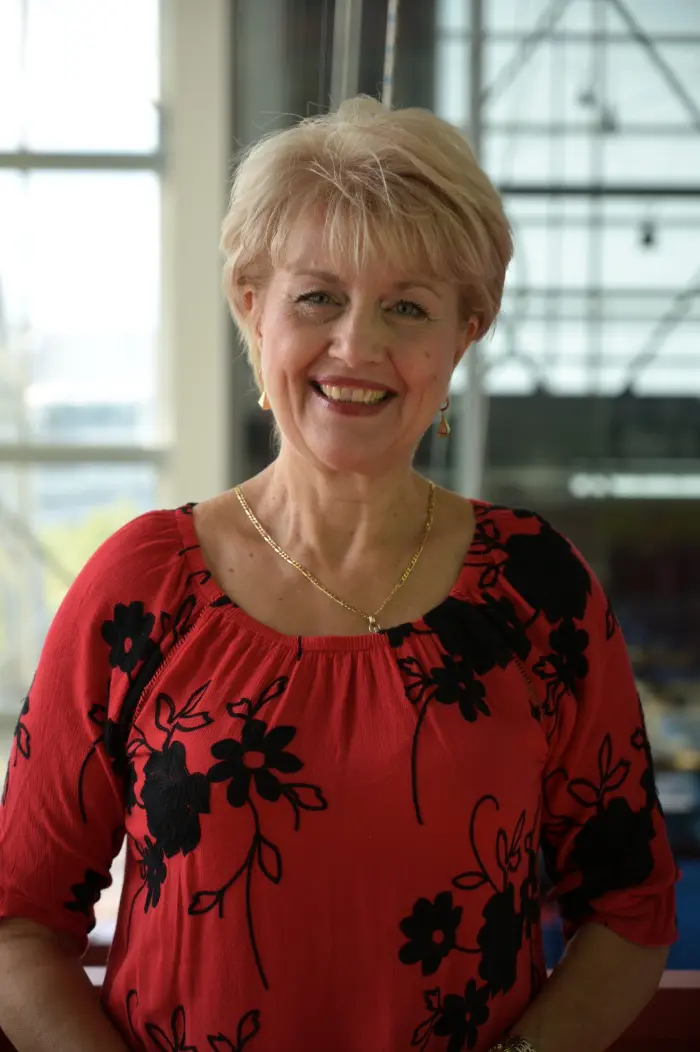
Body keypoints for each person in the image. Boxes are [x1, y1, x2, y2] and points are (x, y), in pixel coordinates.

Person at [0, 97, 677, 1052]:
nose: (357, 346)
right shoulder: (140, 587)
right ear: (252, 306)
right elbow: (17, 924)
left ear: (465, 332)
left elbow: (630, 910)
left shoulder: (537, 590)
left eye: (408, 307)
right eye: (318, 297)